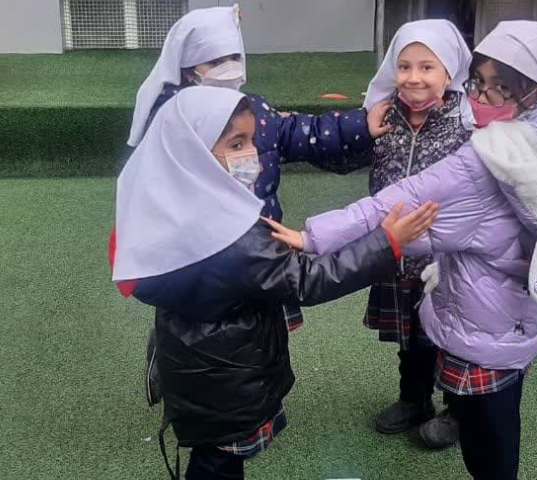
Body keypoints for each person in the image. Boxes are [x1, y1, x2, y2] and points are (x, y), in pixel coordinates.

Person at [267, 21, 537, 479]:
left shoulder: (482, 147)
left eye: (497, 89)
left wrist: (315, 236)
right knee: (429, 352)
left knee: (487, 426)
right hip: (487, 298)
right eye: (478, 84)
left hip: (469, 292)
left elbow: (400, 201)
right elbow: (387, 187)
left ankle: (453, 413)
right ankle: (417, 400)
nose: (481, 97)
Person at [110, 86, 438, 480]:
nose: (252, 155)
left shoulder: (170, 210)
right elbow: (309, 280)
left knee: (212, 455)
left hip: (194, 369)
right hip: (231, 378)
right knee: (217, 464)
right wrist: (385, 243)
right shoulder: (233, 239)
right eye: (237, 144)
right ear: (193, 153)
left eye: (252, 141)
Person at [123, 4, 391, 406]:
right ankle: (174, 363)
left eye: (234, 56)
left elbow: (302, 132)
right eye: (215, 61)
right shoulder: (175, 122)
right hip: (200, 249)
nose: (229, 68)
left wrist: (359, 125)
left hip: (252, 244)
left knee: (253, 321)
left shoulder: (254, 113)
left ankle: (252, 381)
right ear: (190, 70)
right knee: (196, 315)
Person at [358, 18, 475, 448]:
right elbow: (348, 152)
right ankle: (414, 399)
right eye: (404, 66)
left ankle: (458, 410)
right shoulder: (383, 115)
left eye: (427, 67)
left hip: (448, 258)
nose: (414, 77)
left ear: (449, 72)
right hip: (399, 251)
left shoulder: (468, 124)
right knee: (412, 335)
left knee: (451, 335)